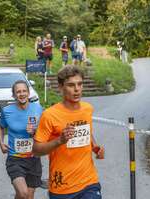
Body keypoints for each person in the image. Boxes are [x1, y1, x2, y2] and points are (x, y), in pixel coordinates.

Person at [32, 65, 105, 199]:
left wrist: (95, 146)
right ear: (60, 87)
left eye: (79, 84)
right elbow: (36, 150)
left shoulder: (87, 109)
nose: (77, 89)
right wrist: (60, 140)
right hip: (62, 187)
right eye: (71, 85)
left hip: (89, 182)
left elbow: (86, 131)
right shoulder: (49, 115)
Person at [0, 80, 43, 199]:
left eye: (24, 91)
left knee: (29, 195)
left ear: (28, 93)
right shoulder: (7, 111)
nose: (21, 94)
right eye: (18, 92)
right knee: (23, 193)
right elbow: (0, 126)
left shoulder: (38, 109)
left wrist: (35, 132)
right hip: (15, 159)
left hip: (34, 159)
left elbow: (45, 131)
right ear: (14, 95)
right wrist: (1, 143)